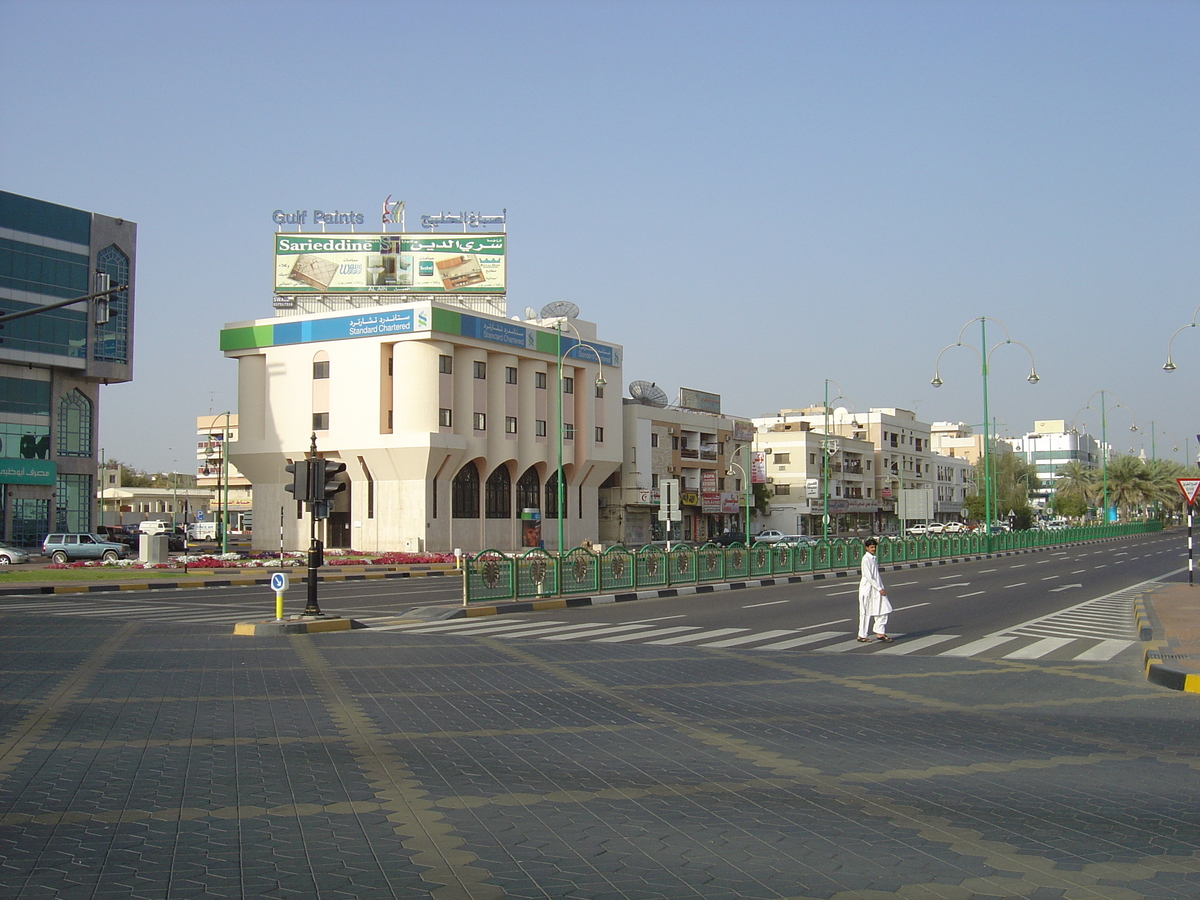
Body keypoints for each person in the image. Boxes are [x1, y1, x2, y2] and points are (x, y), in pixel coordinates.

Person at [857, 537, 893, 642]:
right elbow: (869, 576)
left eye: (874, 547)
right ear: (866, 548)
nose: (873, 549)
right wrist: (879, 588)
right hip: (867, 590)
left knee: (883, 609)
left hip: (876, 589)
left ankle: (880, 632)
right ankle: (862, 635)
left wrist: (879, 588)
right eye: (871, 547)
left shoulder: (873, 558)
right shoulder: (866, 559)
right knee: (865, 613)